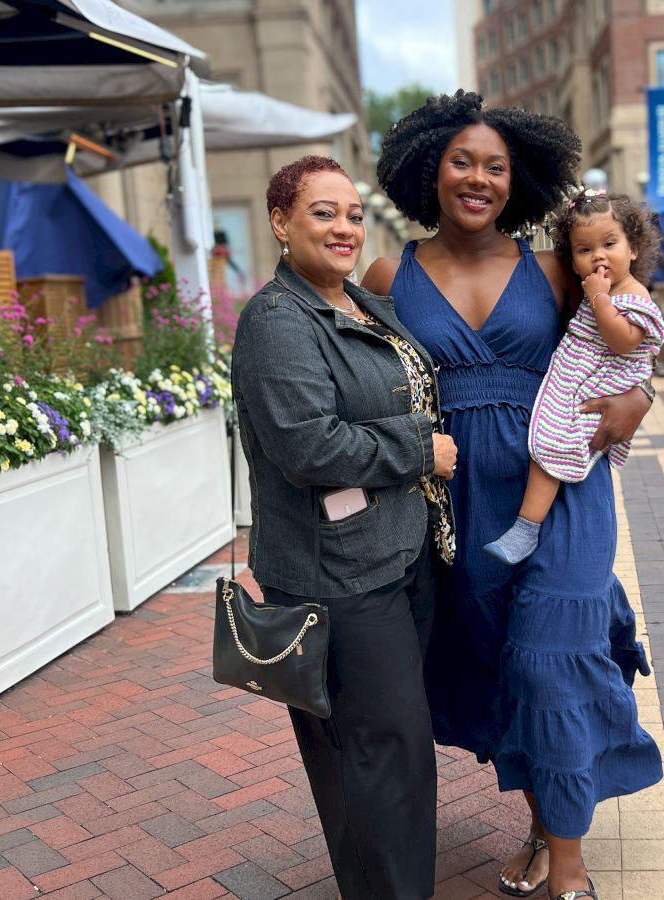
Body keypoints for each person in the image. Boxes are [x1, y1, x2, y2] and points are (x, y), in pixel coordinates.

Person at [363, 91, 662, 900]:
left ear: (519, 178)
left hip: (561, 488)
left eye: (497, 166)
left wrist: (637, 406)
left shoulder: (556, 269)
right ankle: (545, 820)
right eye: (463, 160)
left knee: (549, 659)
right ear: (429, 168)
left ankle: (569, 868)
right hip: (458, 505)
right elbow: (367, 383)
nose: (479, 178)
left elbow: (626, 354)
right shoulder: (389, 273)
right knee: (505, 667)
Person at [231, 154, 457, 900]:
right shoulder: (276, 320)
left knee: (384, 750)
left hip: (398, 554)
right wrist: (421, 447)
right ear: (280, 223)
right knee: (381, 756)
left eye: (353, 213)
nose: (345, 227)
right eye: (323, 213)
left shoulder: (361, 302)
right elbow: (308, 446)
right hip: (338, 575)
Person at [484, 189, 664, 565]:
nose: (598, 256)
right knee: (547, 444)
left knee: (553, 445)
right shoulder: (592, 291)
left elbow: (622, 344)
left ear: (633, 249)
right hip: (577, 379)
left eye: (609, 244)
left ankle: (526, 529)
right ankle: (527, 527)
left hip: (599, 388)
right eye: (585, 250)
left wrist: (599, 299)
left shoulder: (635, 297)